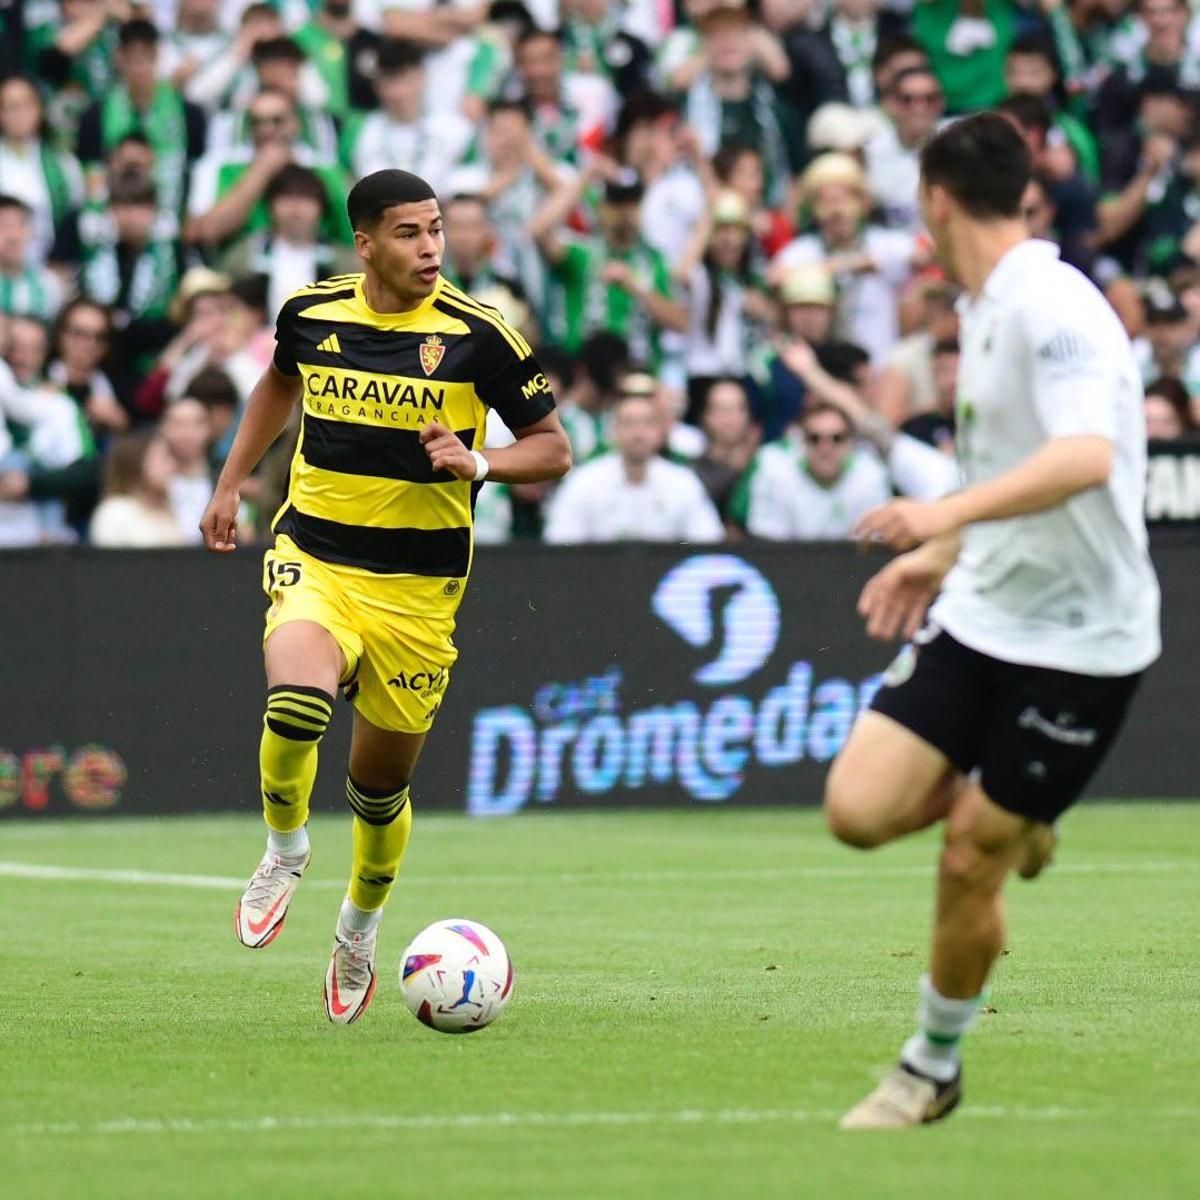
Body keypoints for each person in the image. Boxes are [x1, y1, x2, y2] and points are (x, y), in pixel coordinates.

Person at [828, 113, 1159, 1128]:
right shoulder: (980, 308)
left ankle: (932, 1064)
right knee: (859, 811)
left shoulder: (1054, 306)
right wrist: (942, 554)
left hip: (1084, 640)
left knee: (972, 851)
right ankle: (1023, 803)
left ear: (934, 198)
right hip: (985, 612)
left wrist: (941, 514)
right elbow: (1011, 475)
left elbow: (1083, 459)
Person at [199, 169, 571, 1024]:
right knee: (297, 700)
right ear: (365, 243)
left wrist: (481, 463)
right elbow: (277, 385)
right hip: (317, 556)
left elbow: (553, 448)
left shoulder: (481, 337)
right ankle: (285, 850)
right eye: (408, 233)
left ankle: (359, 928)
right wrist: (230, 482)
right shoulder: (312, 313)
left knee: (377, 788)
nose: (431, 247)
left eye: (436, 229)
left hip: (418, 592)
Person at [543, 389, 721, 543]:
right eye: (629, 423)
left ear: (660, 431)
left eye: (647, 423)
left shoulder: (683, 483)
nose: (638, 433)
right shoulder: (584, 482)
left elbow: (708, 542)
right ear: (614, 430)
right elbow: (560, 543)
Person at [89, 429, 189, 547]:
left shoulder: (170, 511)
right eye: (163, 458)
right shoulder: (114, 513)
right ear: (137, 463)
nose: (172, 465)